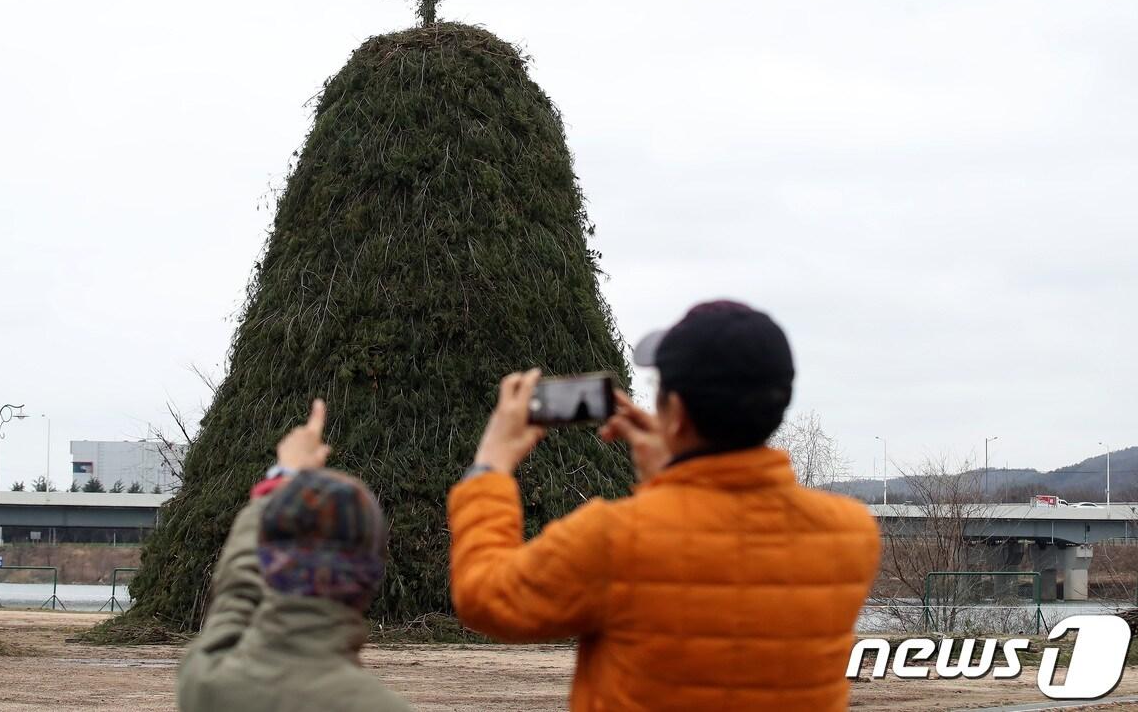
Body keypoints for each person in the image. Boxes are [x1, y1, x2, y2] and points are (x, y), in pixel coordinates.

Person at [447, 300, 880, 711]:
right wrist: (670, 477)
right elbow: (724, 562)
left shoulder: (614, 539)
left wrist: (491, 467)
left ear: (675, 413)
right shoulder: (850, 533)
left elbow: (485, 597)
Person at [177, 399, 411, 712]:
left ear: (270, 563)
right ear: (370, 576)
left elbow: (239, 588)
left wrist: (283, 482)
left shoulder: (207, 682)